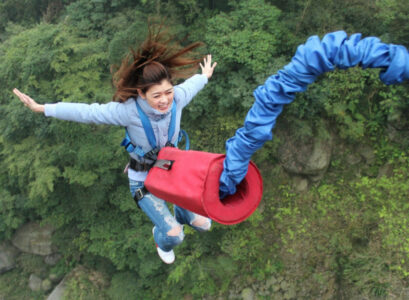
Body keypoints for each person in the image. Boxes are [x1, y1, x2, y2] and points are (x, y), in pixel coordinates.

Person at [13, 26, 217, 264]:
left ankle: (181, 213)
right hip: (144, 180)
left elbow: (192, 84)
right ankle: (160, 235)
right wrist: (44, 108)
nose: (165, 100)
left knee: (205, 224)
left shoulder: (177, 98)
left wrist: (204, 75)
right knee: (175, 236)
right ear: (141, 93)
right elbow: (88, 112)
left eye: (168, 92)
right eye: (157, 96)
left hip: (171, 173)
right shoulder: (128, 112)